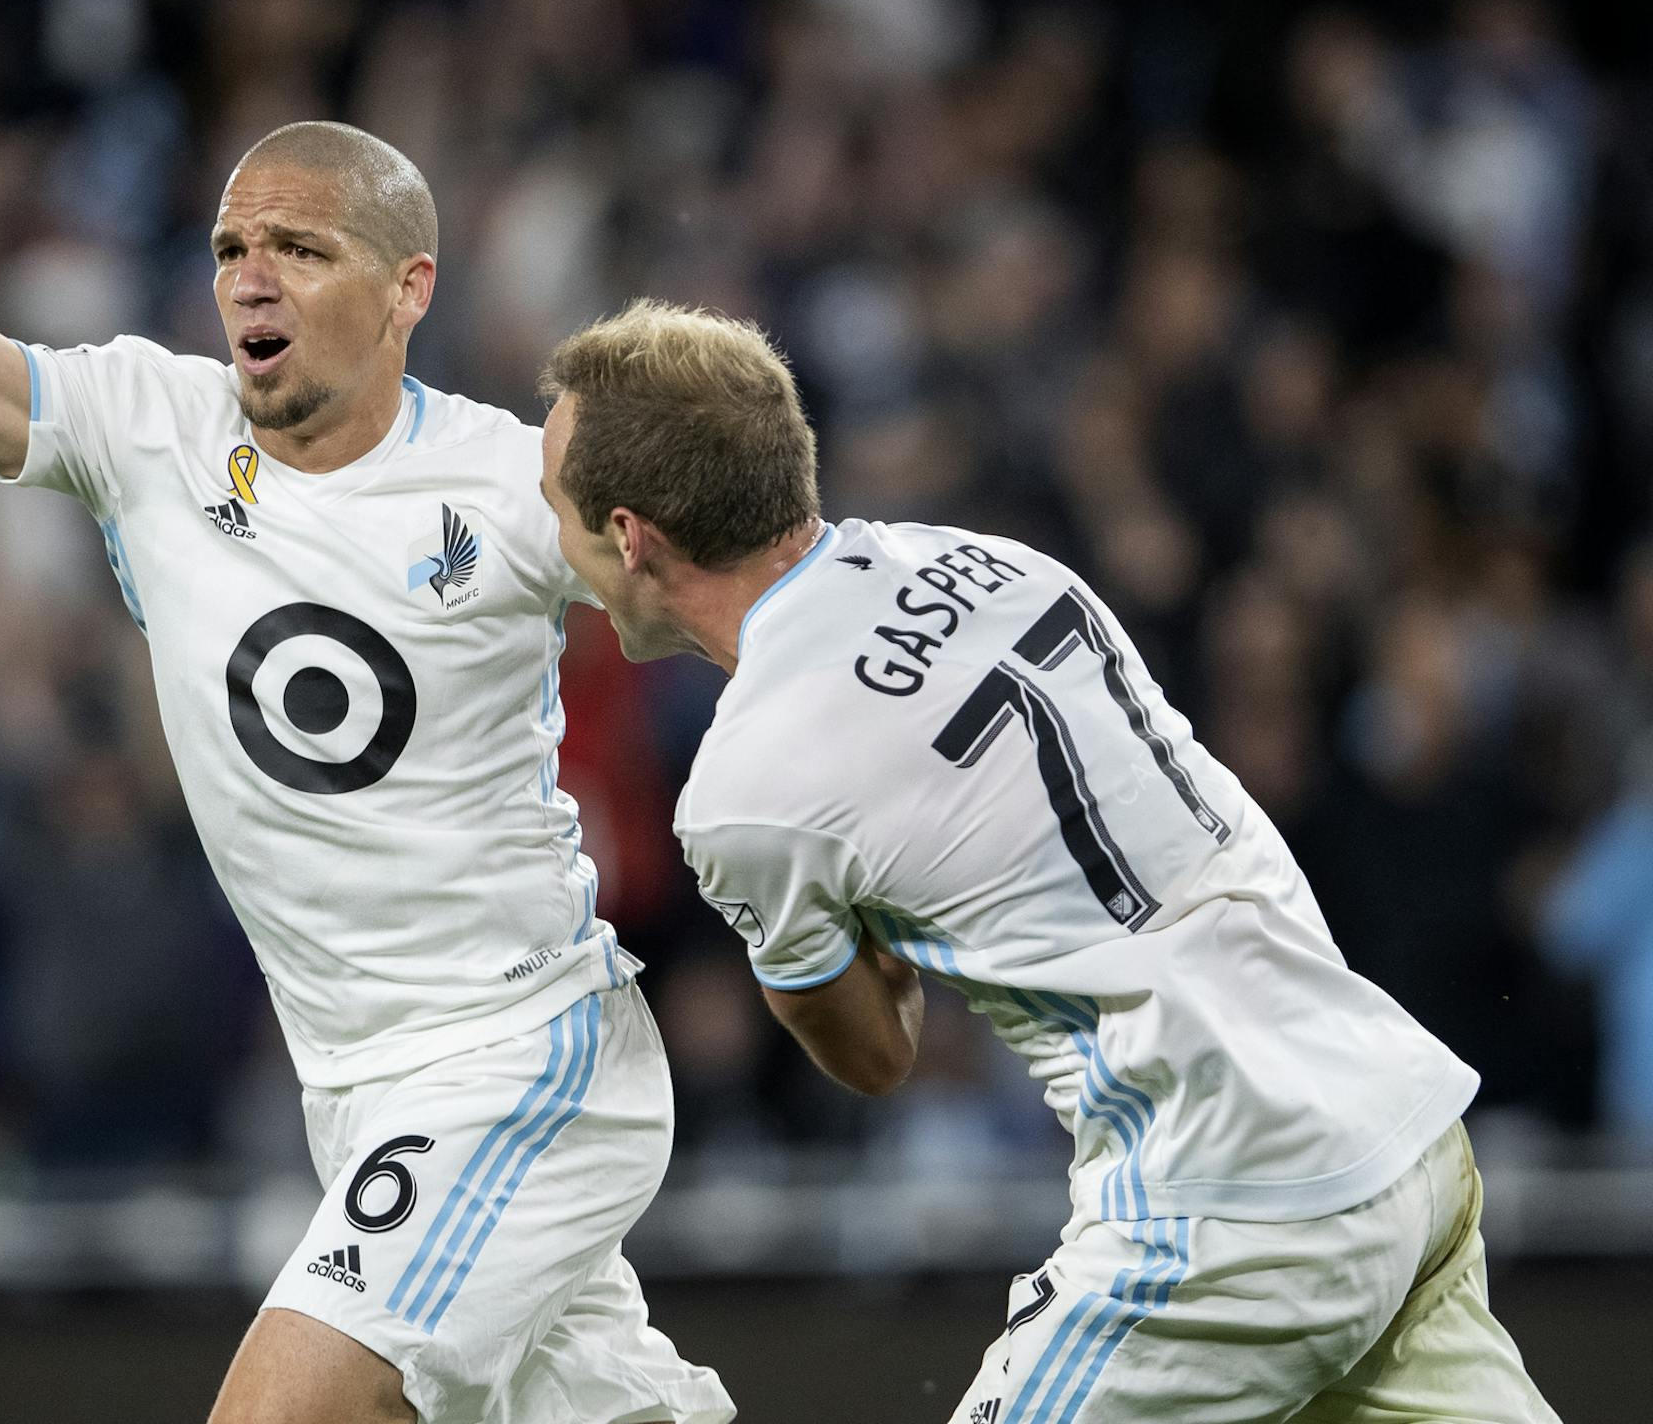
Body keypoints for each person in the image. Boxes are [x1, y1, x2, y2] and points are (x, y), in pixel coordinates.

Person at [0, 0, 732, 1424]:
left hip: (512, 1061)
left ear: (407, 291)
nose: (249, 278)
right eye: (230, 247)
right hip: (358, 1085)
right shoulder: (149, 427)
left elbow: (720, 613)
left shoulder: (514, 488)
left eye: (299, 250)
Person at [535, 299, 1560, 1424]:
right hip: (1394, 1119)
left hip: (1223, 1203)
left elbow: (877, 1053)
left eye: (557, 509)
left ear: (630, 537)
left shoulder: (746, 787)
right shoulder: (1003, 563)